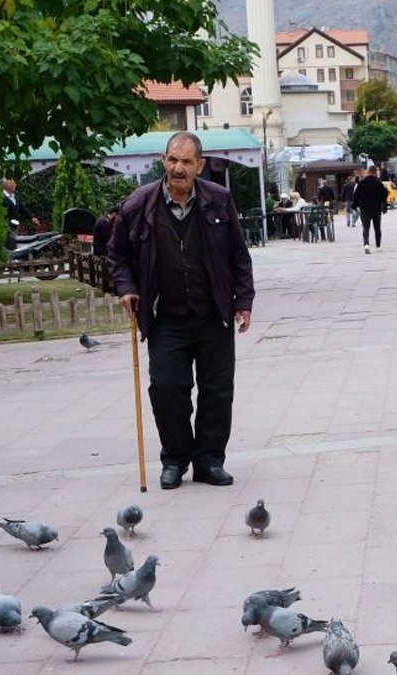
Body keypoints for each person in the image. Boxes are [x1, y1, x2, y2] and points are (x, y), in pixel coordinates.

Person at [108, 131, 255, 489]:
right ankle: (174, 459)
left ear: (199, 166)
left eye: (187, 162)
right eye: (173, 160)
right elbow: (117, 256)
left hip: (213, 314)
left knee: (217, 390)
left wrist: (243, 301)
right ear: (164, 161)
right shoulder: (138, 205)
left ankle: (209, 461)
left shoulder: (219, 200)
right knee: (167, 387)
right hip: (165, 317)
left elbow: (239, 254)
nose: (178, 168)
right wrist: (126, 289)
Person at [351, 166, 388, 254]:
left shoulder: (362, 183)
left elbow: (355, 195)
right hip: (376, 208)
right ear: (375, 172)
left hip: (364, 209)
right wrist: (384, 206)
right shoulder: (378, 183)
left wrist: (354, 206)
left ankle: (366, 245)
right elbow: (384, 194)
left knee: (366, 228)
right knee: (377, 228)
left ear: (368, 172)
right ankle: (378, 246)